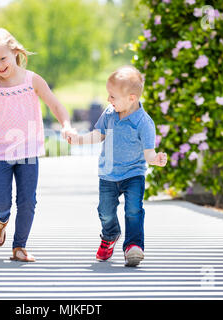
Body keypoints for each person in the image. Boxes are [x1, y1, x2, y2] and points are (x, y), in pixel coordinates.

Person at [0, 28, 76, 262]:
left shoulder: (33, 80)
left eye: (3, 58)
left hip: (28, 150)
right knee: (1, 202)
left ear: (14, 51)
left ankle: (19, 247)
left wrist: (66, 125)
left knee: (27, 201)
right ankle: (1, 219)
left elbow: (56, 105)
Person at [68, 65, 167, 267]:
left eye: (112, 96)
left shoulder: (144, 123)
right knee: (105, 211)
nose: (108, 100)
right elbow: (99, 134)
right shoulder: (110, 113)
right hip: (108, 173)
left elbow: (148, 153)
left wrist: (155, 159)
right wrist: (79, 139)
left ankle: (133, 247)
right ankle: (110, 234)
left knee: (133, 210)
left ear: (131, 98)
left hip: (133, 174)